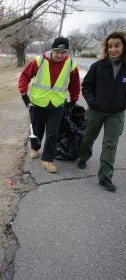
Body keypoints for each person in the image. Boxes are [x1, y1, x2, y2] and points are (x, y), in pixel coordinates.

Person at [18, 37, 80, 173]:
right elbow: (24, 76)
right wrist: (23, 93)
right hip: (38, 103)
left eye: (63, 52)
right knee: (36, 130)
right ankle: (35, 148)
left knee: (53, 134)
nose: (60, 55)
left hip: (57, 105)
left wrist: (74, 99)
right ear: (52, 50)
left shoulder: (70, 64)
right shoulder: (39, 61)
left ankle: (47, 160)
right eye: (57, 51)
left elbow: (75, 83)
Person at [77, 31, 126, 192]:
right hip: (95, 111)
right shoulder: (98, 66)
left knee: (110, 145)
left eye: (117, 46)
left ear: (123, 46)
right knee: (87, 137)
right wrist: (93, 102)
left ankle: (105, 177)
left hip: (116, 113)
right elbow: (87, 86)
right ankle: (83, 157)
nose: (113, 49)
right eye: (110, 46)